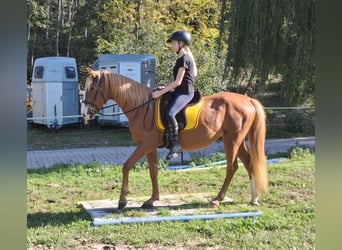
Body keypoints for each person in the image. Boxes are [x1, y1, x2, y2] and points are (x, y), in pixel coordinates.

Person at [152, 30, 198, 160]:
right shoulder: (180, 58)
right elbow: (177, 82)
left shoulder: (184, 59)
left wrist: (160, 92)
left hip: (185, 93)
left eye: (173, 42)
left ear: (181, 43)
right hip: (179, 91)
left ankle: (176, 145)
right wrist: (164, 87)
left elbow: (178, 82)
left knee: (170, 113)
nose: (171, 45)